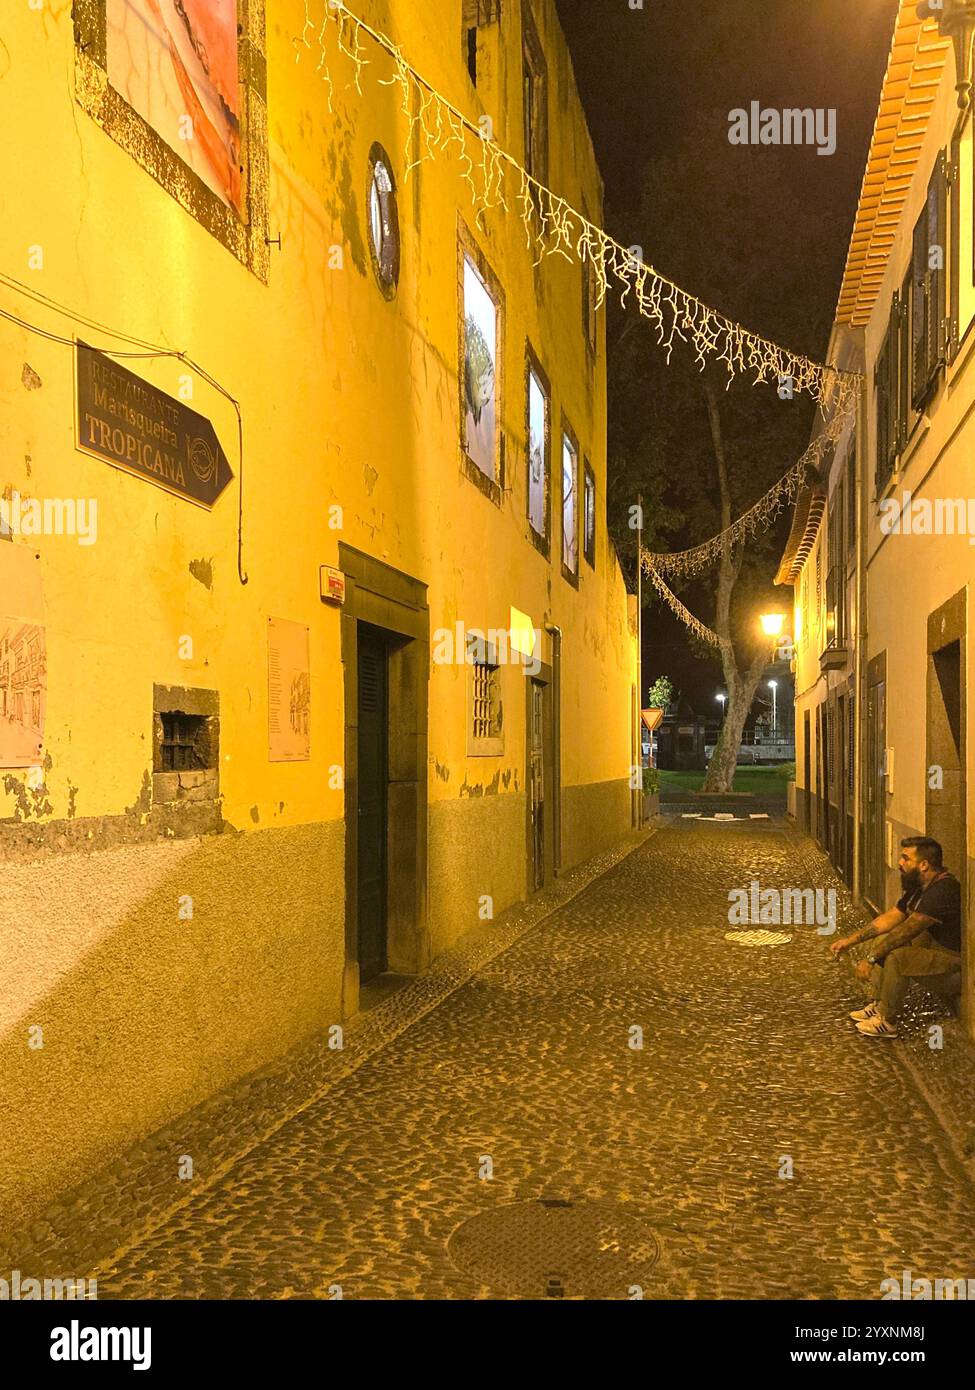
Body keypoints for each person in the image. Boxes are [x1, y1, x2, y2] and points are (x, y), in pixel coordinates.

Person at [829, 837, 962, 1039]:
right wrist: (851, 941)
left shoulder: (943, 890)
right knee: (883, 941)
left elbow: (908, 929)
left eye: (906, 858)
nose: (900, 863)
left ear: (924, 864)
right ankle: (879, 1003)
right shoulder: (920, 887)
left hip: (956, 969)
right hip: (936, 955)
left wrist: (870, 959)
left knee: (897, 957)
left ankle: (887, 1020)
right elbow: (890, 919)